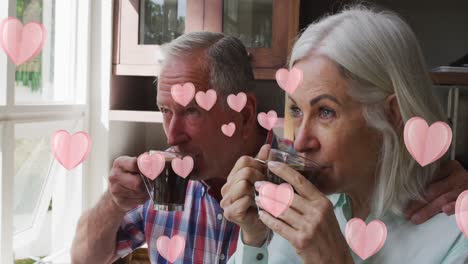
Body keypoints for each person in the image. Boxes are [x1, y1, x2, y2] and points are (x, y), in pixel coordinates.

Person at [70, 31, 467, 264]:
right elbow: (84, 258)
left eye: (191, 110)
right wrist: (114, 202)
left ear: (245, 115)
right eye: (164, 111)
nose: (172, 135)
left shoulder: (312, 186)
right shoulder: (165, 179)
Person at [222, 6, 468, 264]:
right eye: (296, 109)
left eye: (326, 112)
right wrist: (254, 238)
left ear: (393, 115)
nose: (300, 141)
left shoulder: (455, 236)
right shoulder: (294, 202)